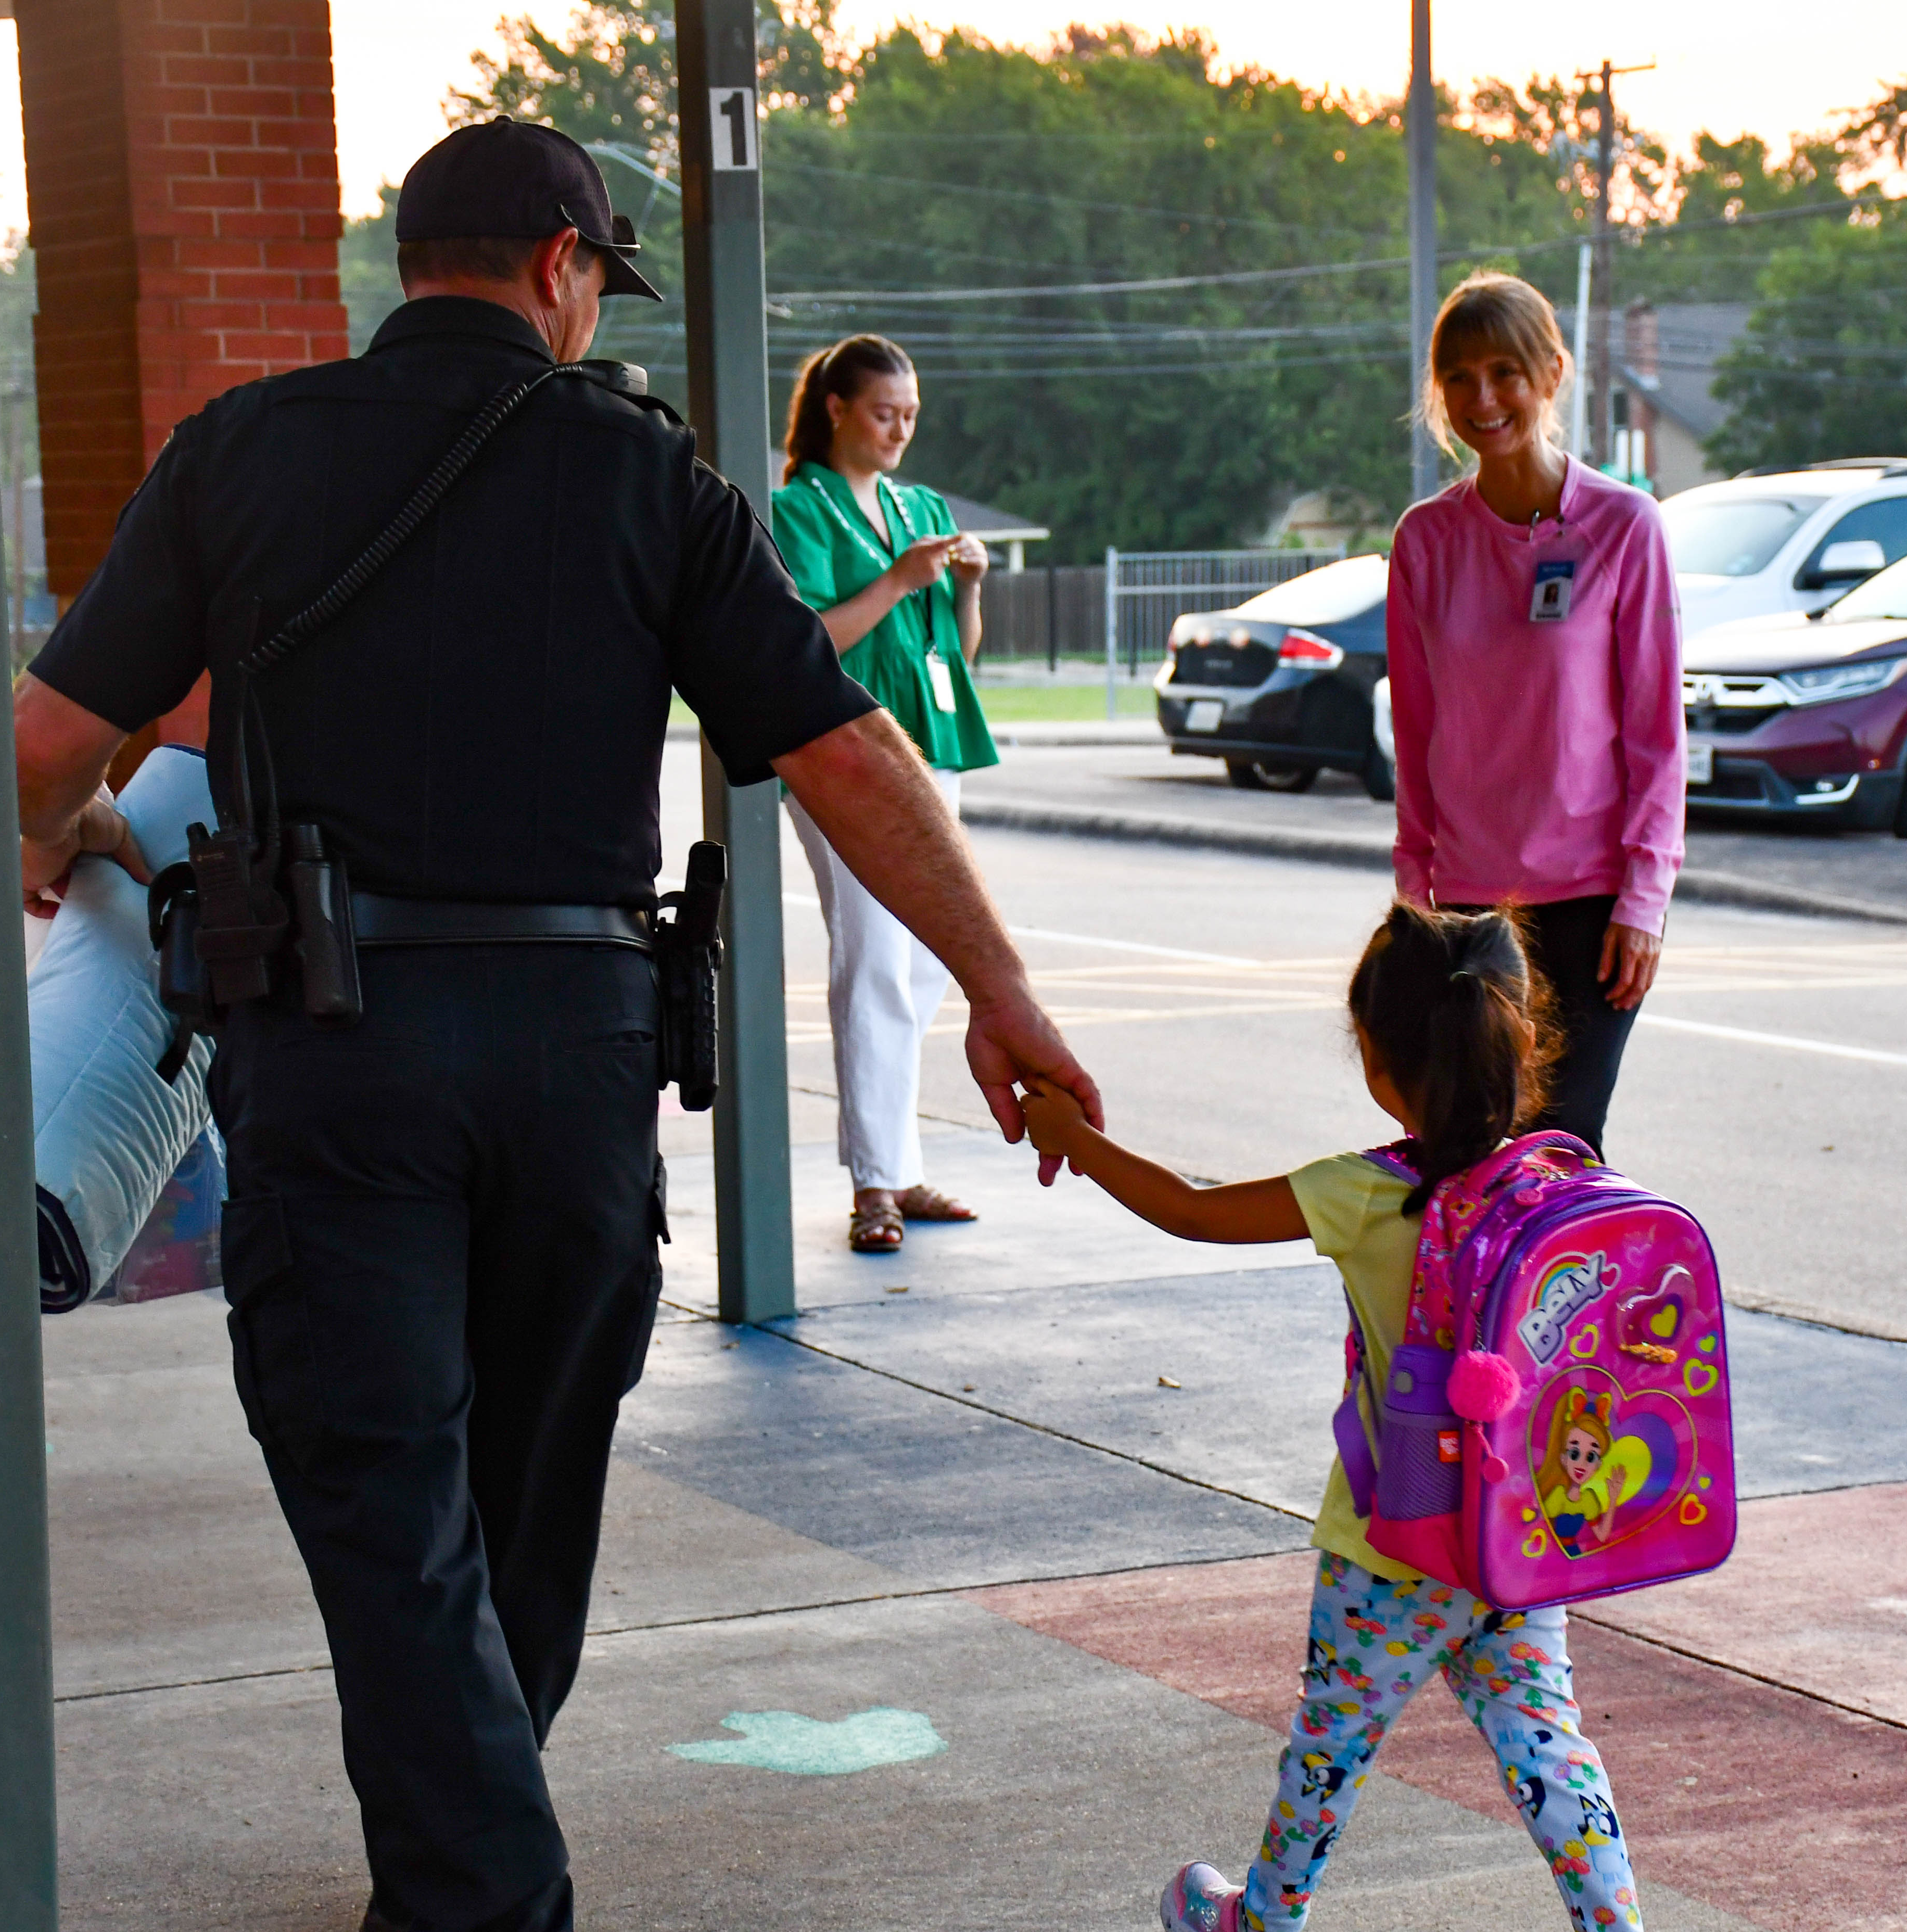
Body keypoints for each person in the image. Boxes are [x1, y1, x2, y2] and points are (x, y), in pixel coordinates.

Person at [14, 118, 1098, 1932]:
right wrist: (1000, 989)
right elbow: (844, 749)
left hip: (336, 1057)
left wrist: (77, 836)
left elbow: (46, 744)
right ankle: (474, 1875)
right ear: (560, 267)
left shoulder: (243, 458)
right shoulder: (645, 479)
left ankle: (472, 1883)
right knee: (517, 1498)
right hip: (578, 1065)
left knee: (384, 1496)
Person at [1021, 902, 1644, 1932]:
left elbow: (1186, 1208)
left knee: (1332, 1742)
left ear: (1374, 1061)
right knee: (1546, 1738)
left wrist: (1074, 1139)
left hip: (1385, 1546)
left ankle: (1261, 1916)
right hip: (1511, 1539)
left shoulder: (1365, 1193)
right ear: (1524, 1037)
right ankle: (1611, 1920)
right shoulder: (1559, 1190)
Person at [1387, 271, 1684, 1157]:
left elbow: (1657, 737)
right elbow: (1417, 736)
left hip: (1592, 906)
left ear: (1552, 375)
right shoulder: (1426, 541)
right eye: (1460, 378)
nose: (1484, 398)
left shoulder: (1626, 527)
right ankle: (1457, 1305)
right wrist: (1415, 897)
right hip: (1469, 909)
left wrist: (1646, 897)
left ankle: (1576, 1302)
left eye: (1506, 372)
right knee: (1463, 1143)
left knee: (1556, 1146)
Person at [769, 335, 1000, 1253]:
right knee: (871, 954)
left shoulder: (922, 505)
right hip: (846, 751)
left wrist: (967, 590)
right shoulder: (798, 511)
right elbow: (812, 639)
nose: (901, 429)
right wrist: (901, 579)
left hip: (929, 743)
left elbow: (958, 654)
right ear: (836, 409)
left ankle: (895, 1163)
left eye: (910, 415)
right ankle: (876, 1186)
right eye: (884, 413)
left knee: (935, 952)